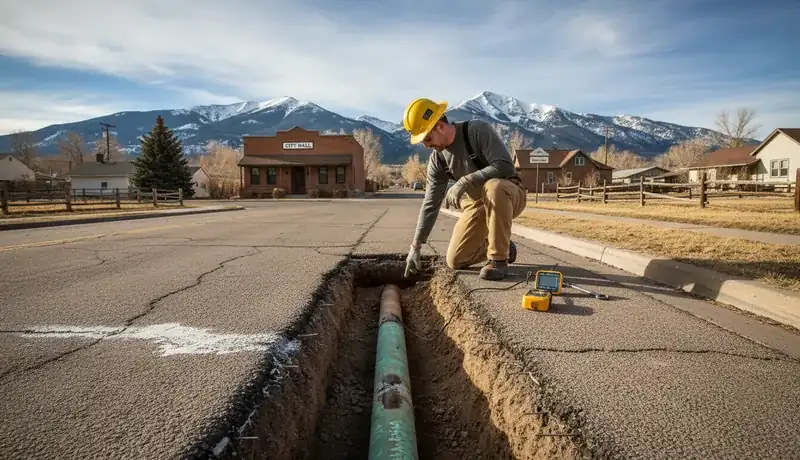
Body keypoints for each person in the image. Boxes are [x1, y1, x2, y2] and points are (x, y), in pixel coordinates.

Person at [402, 97, 527, 281]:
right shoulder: (438, 159)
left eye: (427, 138)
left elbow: (505, 166)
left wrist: (466, 181)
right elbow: (430, 203)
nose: (427, 145)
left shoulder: (476, 130)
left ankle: (498, 260)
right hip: (477, 204)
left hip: (508, 194)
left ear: (441, 127)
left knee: (493, 187)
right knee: (455, 259)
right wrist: (416, 246)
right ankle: (503, 245)